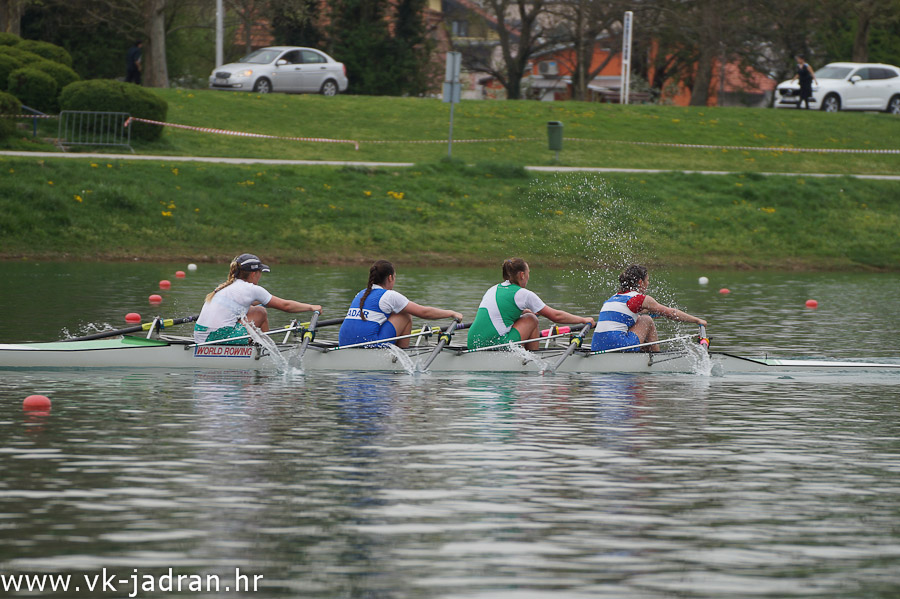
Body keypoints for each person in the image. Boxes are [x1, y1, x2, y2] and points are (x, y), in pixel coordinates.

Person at [467, 257, 594, 351]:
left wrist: (522, 311)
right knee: (531, 319)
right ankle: (532, 359)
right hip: (491, 345)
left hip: (472, 343)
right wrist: (583, 319)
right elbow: (556, 316)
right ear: (522, 275)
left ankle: (525, 353)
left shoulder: (493, 289)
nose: (528, 276)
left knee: (526, 315)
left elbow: (500, 311)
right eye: (528, 273)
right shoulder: (524, 294)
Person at [194, 253, 321, 345]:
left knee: (254, 309)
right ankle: (265, 350)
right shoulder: (252, 289)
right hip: (217, 339)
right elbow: (286, 306)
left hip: (200, 337)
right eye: (260, 273)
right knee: (261, 312)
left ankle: (260, 345)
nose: (260, 277)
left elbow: (253, 303)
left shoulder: (226, 287)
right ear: (254, 274)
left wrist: (264, 302)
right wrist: (311, 307)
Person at [338, 260, 463, 348]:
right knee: (405, 314)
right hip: (370, 345)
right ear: (390, 278)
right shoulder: (390, 295)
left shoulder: (361, 293)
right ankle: (402, 354)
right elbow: (424, 312)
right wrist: (451, 313)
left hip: (343, 343)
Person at [591, 264, 706, 353]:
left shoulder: (614, 298)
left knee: (640, 318)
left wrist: (656, 312)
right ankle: (655, 358)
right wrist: (697, 320)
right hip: (618, 345)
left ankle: (642, 355)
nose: (648, 283)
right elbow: (672, 312)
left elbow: (638, 312)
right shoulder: (639, 298)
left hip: (596, 345)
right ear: (640, 282)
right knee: (646, 320)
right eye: (647, 280)